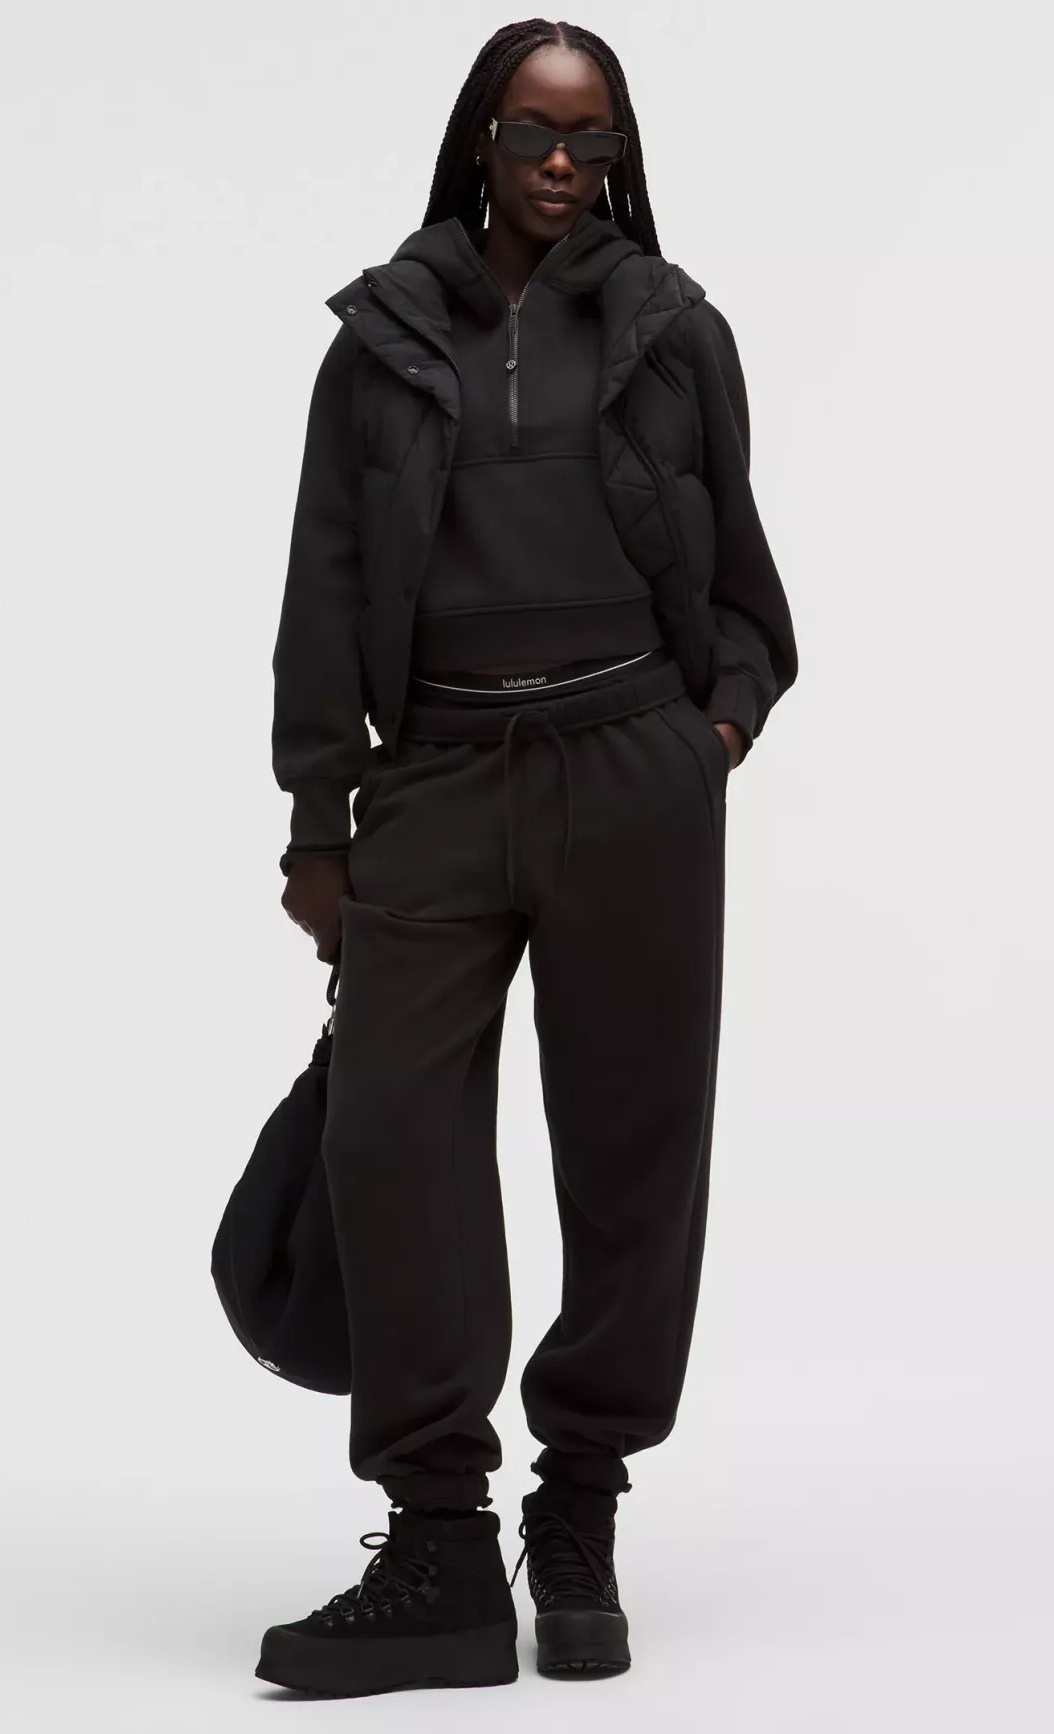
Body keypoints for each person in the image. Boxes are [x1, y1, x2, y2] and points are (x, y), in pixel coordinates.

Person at [255, 17, 797, 1698]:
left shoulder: (671, 328)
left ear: (619, 153)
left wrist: (712, 732)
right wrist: (320, 820)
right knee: (394, 1140)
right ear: (478, 140)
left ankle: (578, 1513)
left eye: (592, 137)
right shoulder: (380, 342)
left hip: (632, 769)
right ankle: (437, 1544)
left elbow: (745, 581)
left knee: (633, 1148)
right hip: (432, 779)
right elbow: (323, 592)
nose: (564, 163)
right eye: (533, 132)